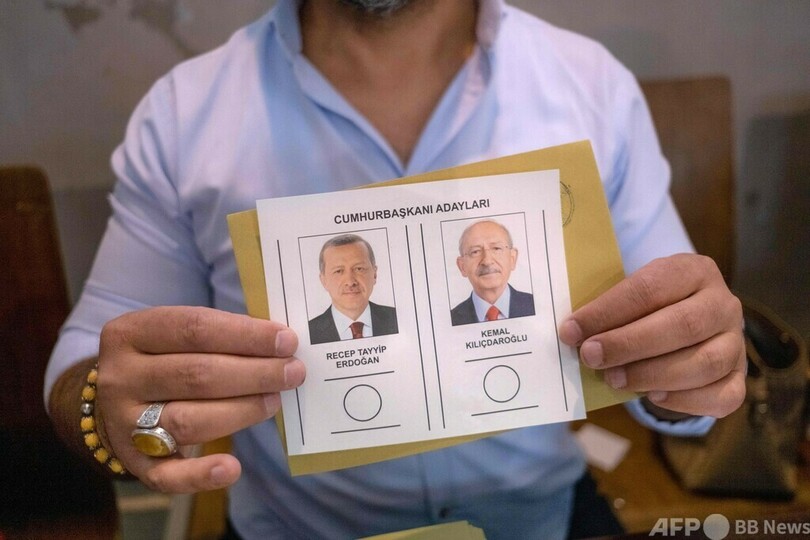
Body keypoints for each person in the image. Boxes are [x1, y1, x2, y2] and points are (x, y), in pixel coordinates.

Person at [44, 1, 746, 539]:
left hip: (542, 516)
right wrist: (108, 412)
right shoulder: (185, 115)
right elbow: (86, 362)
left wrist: (689, 370)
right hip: (297, 528)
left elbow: (679, 350)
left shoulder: (592, 85)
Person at [308, 233, 398, 344]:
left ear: (374, 274)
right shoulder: (308, 333)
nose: (350, 282)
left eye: (359, 269)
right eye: (338, 271)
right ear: (323, 280)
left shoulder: (399, 319)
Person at [451, 219, 535, 325]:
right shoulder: (451, 320)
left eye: (496, 248)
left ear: (512, 259)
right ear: (462, 266)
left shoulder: (536, 306)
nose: (487, 261)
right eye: (475, 252)